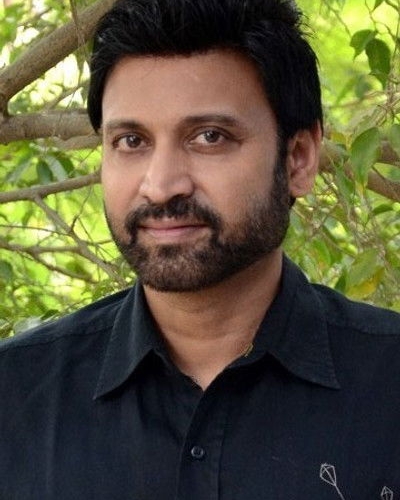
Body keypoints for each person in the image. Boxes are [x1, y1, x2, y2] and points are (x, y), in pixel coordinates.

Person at [1, 0, 400, 498]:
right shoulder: (14, 397)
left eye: (209, 137)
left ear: (298, 159)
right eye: (131, 141)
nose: (161, 185)